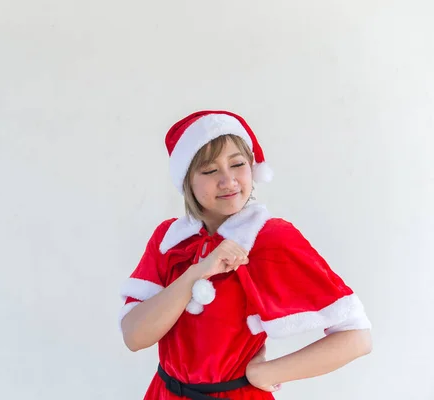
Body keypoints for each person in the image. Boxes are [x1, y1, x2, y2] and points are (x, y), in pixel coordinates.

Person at [118, 110, 372, 400]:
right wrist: (197, 272)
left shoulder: (270, 238)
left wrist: (265, 373)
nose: (228, 181)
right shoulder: (170, 240)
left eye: (237, 165)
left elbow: (357, 337)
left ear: (252, 168)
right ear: (187, 180)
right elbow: (135, 337)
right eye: (210, 170)